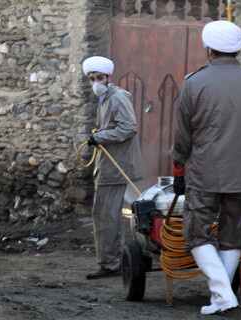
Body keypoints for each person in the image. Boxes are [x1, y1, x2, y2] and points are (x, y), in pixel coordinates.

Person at [168, 21, 241, 315]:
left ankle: (223, 295)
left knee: (197, 234)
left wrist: (179, 158)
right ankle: (222, 296)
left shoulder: (194, 83)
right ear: (238, 49)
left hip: (205, 172)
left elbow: (183, 135)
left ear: (209, 49)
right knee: (232, 236)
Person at [82, 56, 145, 279]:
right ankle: (113, 260)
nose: (96, 82)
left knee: (106, 216)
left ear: (109, 77)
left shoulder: (117, 97)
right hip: (108, 165)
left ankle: (111, 264)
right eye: (92, 79)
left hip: (115, 166)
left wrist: (101, 137)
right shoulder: (105, 98)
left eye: (100, 78)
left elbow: (129, 128)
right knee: (105, 215)